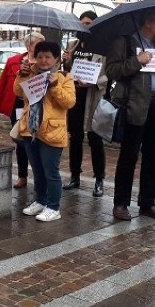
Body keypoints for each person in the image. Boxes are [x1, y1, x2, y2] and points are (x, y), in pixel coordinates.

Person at [105, 7, 155, 221]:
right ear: (149, 22)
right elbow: (112, 71)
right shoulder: (124, 42)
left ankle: (148, 203)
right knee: (129, 155)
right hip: (134, 104)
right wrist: (137, 61)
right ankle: (121, 203)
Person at [14, 41, 76, 222]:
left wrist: (55, 85)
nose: (43, 60)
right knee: (38, 170)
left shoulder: (65, 78)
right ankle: (40, 201)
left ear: (56, 59)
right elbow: (18, 92)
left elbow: (69, 103)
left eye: (48, 56)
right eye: (39, 56)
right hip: (31, 129)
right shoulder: (31, 73)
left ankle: (54, 207)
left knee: (51, 172)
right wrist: (22, 75)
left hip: (52, 131)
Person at [0, 31, 45, 188]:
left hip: (36, 106)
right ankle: (22, 175)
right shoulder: (14, 61)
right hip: (18, 106)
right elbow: (2, 85)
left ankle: (39, 176)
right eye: (37, 44)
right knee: (21, 142)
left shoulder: (44, 63)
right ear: (29, 45)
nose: (41, 47)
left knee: (37, 142)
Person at [62, 11, 107, 196]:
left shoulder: (103, 47)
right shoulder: (73, 45)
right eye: (82, 23)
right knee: (76, 137)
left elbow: (109, 73)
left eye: (88, 23)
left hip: (93, 97)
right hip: (75, 97)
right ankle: (75, 176)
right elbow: (67, 72)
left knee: (95, 138)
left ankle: (99, 179)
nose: (85, 26)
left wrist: (94, 81)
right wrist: (66, 61)